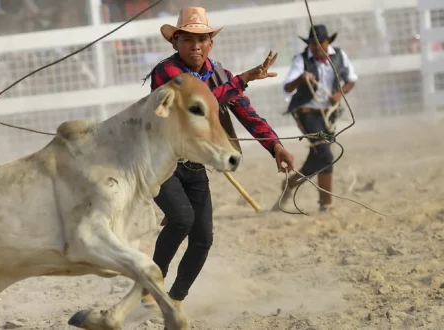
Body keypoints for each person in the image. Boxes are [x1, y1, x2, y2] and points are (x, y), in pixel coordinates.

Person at [140, 6, 296, 308]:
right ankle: (150, 284)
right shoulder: (166, 72)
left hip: (195, 164)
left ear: (211, 42)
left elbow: (246, 113)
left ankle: (175, 300)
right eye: (188, 40)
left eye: (202, 39)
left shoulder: (221, 75)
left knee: (203, 238)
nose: (195, 46)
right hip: (162, 162)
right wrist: (244, 78)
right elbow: (195, 103)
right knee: (183, 218)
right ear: (175, 44)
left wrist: (275, 146)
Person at [273, 24, 358, 212]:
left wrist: (339, 94)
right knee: (325, 154)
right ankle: (325, 204)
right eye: (313, 44)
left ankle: (293, 183)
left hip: (329, 114)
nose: (316, 47)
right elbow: (287, 87)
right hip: (306, 112)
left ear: (328, 42)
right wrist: (301, 79)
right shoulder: (301, 60)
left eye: (320, 43)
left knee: (319, 155)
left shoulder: (339, 56)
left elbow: (351, 79)